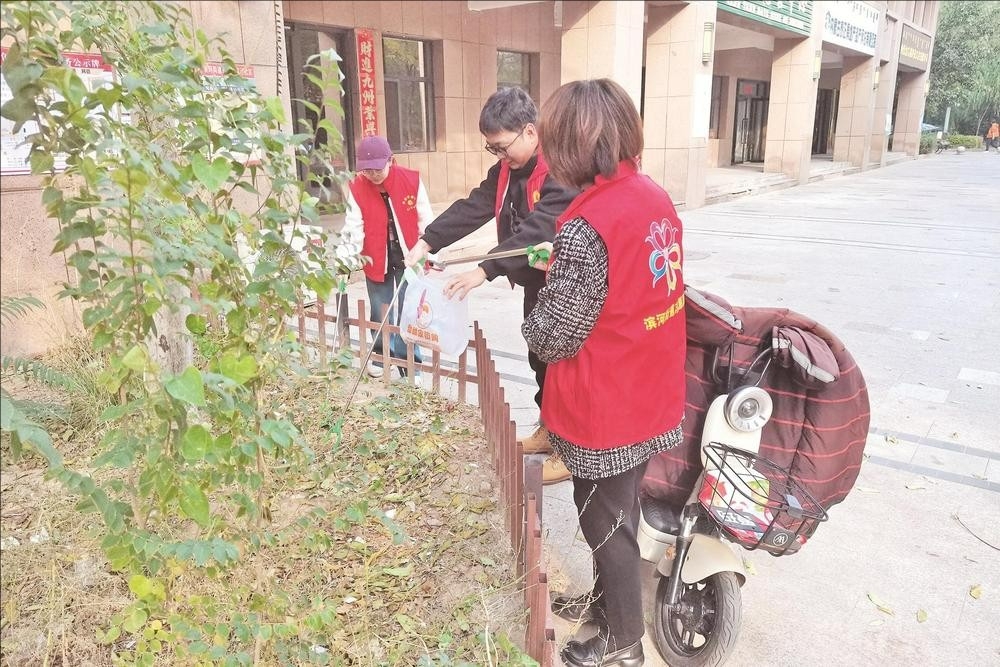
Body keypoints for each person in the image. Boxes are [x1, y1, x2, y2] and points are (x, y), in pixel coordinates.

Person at [522, 79, 687, 667]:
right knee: (620, 510)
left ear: (571, 145)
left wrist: (544, 302)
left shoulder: (586, 225)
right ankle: (605, 605)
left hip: (607, 407)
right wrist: (566, 268)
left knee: (606, 524)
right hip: (650, 389)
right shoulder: (653, 197)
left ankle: (622, 642)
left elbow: (556, 334)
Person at [403, 86, 578, 482]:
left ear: (530, 132)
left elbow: (541, 227)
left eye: (502, 147)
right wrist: (428, 241)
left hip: (566, 283)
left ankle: (571, 450)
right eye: (492, 149)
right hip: (535, 280)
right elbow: (476, 205)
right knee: (539, 358)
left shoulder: (560, 168)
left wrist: (484, 270)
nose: (499, 156)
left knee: (563, 366)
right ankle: (550, 430)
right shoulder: (508, 170)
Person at [343, 135, 434, 383]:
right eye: (367, 170)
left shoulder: (411, 180)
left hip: (410, 254)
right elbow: (353, 226)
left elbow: (425, 219)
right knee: (380, 309)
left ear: (391, 160)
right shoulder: (357, 187)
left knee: (409, 310)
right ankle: (381, 356)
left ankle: (410, 364)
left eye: (377, 169)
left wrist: (432, 253)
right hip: (375, 256)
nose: (372, 175)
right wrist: (346, 256)